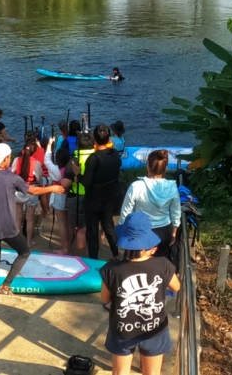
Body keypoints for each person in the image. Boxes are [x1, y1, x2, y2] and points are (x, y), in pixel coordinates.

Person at [0, 143, 65, 294]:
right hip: (8, 227)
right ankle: (5, 285)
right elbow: (34, 190)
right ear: (6, 159)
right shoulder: (12, 178)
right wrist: (52, 188)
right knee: (24, 252)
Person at [100, 212, 181, 375]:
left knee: (120, 372)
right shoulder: (163, 265)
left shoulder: (111, 270)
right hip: (155, 329)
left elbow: (105, 298)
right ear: (152, 249)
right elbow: (176, 287)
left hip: (122, 330)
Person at [120, 149, 180, 260]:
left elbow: (126, 212)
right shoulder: (172, 187)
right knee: (157, 262)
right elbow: (176, 211)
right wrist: (174, 231)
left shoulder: (136, 186)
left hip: (140, 231)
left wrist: (124, 231)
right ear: (165, 168)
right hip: (164, 231)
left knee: (137, 262)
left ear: (148, 165)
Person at [80, 124, 122, 260]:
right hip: (109, 197)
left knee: (92, 231)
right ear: (109, 138)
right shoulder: (115, 154)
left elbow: (86, 181)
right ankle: (116, 254)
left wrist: (77, 175)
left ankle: (93, 259)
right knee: (109, 226)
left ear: (94, 140)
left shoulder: (93, 158)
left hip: (93, 200)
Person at [10, 135, 44, 247]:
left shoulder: (16, 160)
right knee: (30, 219)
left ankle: (17, 242)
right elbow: (38, 179)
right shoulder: (37, 163)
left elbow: (12, 173)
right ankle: (29, 242)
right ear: (34, 152)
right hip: (31, 191)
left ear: (23, 150)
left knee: (18, 217)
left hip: (18, 191)